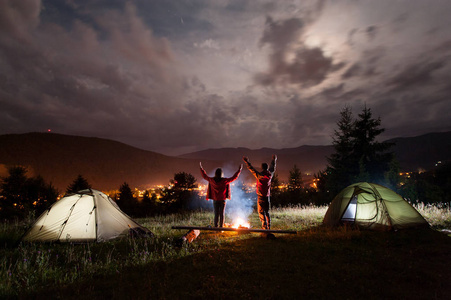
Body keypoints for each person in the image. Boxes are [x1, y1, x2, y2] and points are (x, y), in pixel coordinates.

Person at [200, 163, 242, 227]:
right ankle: (221, 227)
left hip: (215, 200)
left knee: (216, 213)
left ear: (215, 173)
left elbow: (204, 176)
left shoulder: (212, 180)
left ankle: (216, 227)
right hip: (223, 200)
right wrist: (239, 170)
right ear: (222, 173)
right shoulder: (225, 180)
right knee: (222, 213)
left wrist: (201, 168)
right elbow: (234, 177)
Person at [242, 155, 277, 230]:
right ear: (267, 168)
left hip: (260, 196)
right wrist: (274, 160)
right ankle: (268, 226)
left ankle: (264, 227)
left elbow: (252, 170)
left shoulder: (259, 175)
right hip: (267, 196)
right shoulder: (270, 174)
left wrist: (247, 162)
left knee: (261, 212)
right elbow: (273, 167)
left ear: (261, 168)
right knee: (267, 212)